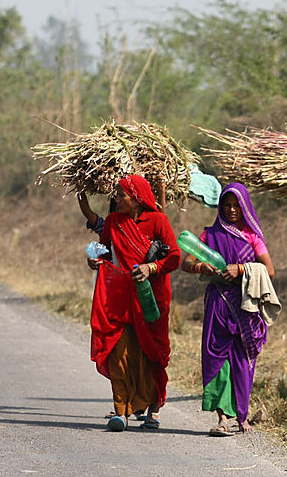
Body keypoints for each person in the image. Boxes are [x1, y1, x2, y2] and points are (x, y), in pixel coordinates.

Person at [181, 183, 279, 436]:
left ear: (244, 207)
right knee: (218, 359)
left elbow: (269, 270)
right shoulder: (209, 235)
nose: (232, 209)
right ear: (221, 206)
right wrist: (202, 268)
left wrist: (242, 268)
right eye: (227, 204)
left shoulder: (253, 237)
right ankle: (223, 418)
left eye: (237, 205)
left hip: (246, 307)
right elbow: (187, 262)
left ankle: (242, 415)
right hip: (218, 304)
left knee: (243, 360)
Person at [87, 175, 180, 432]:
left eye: (121, 194)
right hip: (119, 298)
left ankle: (152, 409)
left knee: (150, 353)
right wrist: (94, 260)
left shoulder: (158, 221)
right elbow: (102, 250)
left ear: (136, 198)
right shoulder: (115, 223)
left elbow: (174, 257)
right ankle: (121, 411)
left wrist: (151, 267)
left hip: (150, 299)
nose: (117, 199)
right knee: (118, 353)